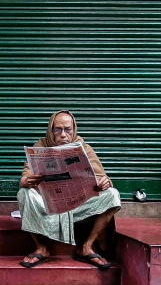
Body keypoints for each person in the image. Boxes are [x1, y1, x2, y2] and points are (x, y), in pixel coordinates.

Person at [17, 110, 121, 269]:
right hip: (49, 206)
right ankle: (41, 248)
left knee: (112, 194)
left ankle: (86, 246)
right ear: (51, 130)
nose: (63, 135)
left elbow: (103, 178)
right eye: (57, 129)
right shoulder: (41, 146)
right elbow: (24, 179)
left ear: (74, 130)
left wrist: (105, 182)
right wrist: (27, 181)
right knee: (24, 193)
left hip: (76, 205)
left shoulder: (83, 147)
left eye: (67, 130)